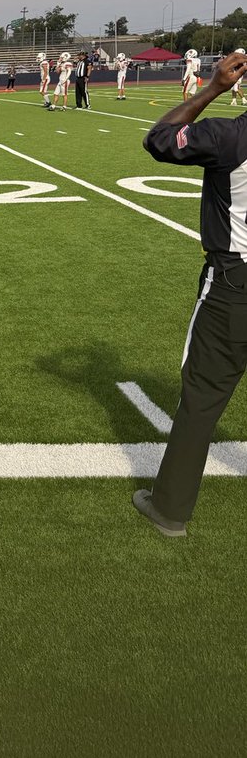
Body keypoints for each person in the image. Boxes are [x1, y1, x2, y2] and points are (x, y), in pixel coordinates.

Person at [133, 50, 247, 536]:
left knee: (202, 398)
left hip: (235, 285)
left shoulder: (231, 137)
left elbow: (159, 139)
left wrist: (213, 87)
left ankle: (171, 509)